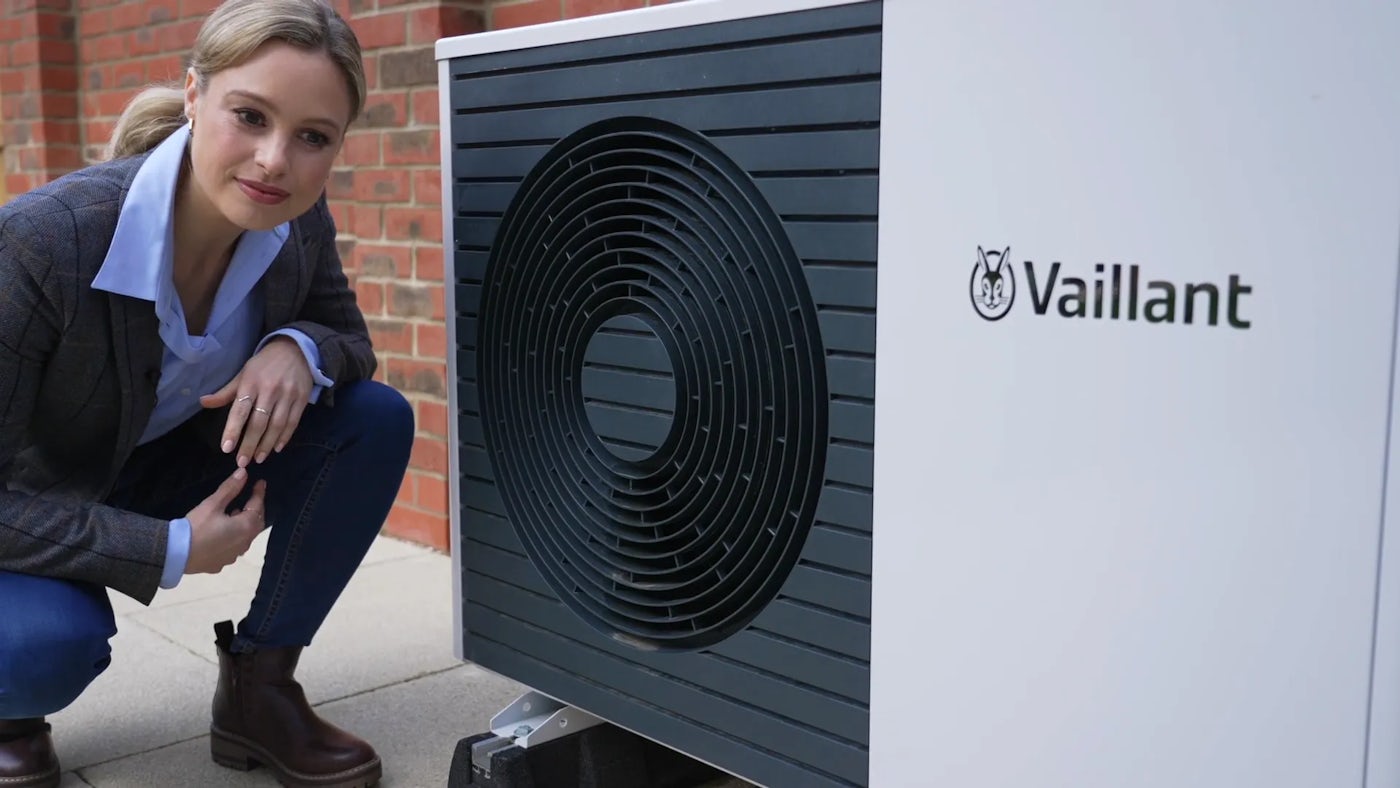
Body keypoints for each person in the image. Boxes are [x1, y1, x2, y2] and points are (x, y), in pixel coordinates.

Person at [0, 1, 414, 786]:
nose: (273, 161)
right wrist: (173, 549)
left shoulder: (295, 218)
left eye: (313, 137)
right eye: (249, 117)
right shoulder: (39, 242)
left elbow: (347, 338)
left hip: (161, 466)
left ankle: (261, 689)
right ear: (194, 95)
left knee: (371, 419)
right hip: (29, 502)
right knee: (40, 651)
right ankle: (7, 710)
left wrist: (297, 348)